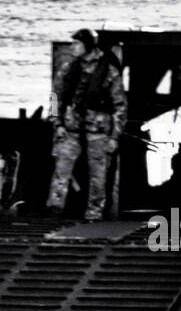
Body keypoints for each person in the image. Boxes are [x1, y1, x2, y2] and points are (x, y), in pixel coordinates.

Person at [46, 28, 128, 219]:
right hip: (70, 127)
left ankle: (94, 213)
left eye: (77, 43)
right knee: (61, 171)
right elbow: (55, 98)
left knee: (98, 175)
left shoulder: (108, 71)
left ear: (88, 46)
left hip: (98, 130)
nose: (73, 47)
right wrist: (57, 123)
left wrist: (115, 136)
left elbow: (120, 106)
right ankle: (55, 208)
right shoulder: (68, 68)